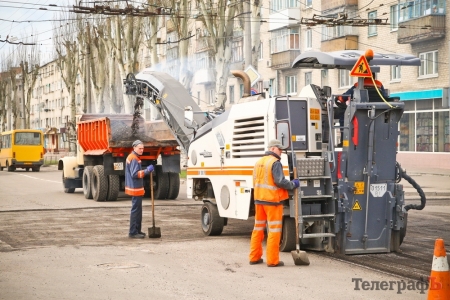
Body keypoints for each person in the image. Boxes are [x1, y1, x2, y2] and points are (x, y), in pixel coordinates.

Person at [249, 139, 300, 267]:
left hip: (259, 200)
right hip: (272, 202)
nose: (281, 151)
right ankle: (272, 260)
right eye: (279, 149)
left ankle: (254, 257)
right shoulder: (275, 163)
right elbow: (280, 181)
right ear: (272, 148)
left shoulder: (259, 162)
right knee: (274, 231)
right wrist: (293, 184)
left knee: (258, 229)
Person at [125, 140, 154, 239]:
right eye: (140, 148)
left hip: (137, 188)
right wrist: (147, 171)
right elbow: (135, 174)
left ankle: (137, 230)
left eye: (142, 148)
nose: (142, 150)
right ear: (134, 148)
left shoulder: (135, 157)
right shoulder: (133, 158)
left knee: (138, 211)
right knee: (136, 210)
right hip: (135, 188)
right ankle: (133, 232)